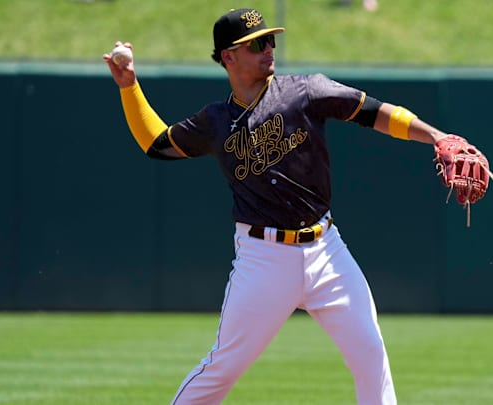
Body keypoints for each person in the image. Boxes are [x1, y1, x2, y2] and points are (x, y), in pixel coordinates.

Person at [103, 8, 464, 405]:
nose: (269, 48)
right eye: (257, 43)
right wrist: (128, 86)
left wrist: (437, 136)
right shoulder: (215, 121)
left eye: (270, 40)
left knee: (370, 354)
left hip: (327, 250)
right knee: (223, 368)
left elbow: (373, 111)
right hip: (263, 258)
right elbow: (157, 144)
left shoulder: (305, 91)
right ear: (228, 56)